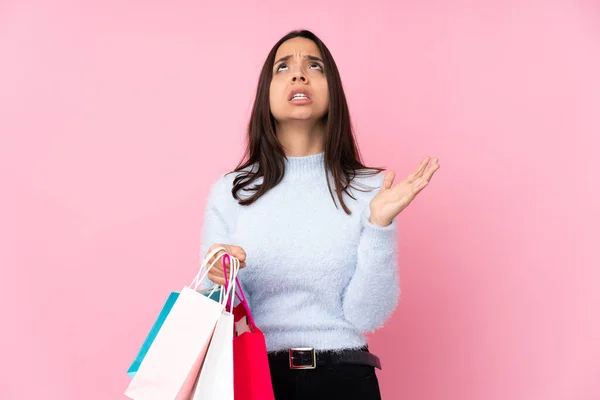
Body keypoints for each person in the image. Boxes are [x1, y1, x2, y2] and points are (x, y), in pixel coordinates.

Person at [199, 29, 440, 400]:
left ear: (334, 92)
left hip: (344, 379)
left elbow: (368, 316)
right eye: (283, 67)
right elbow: (219, 311)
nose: (299, 74)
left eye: (315, 66)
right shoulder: (232, 191)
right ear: (266, 92)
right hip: (255, 379)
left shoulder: (372, 188)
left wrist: (379, 225)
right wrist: (219, 278)